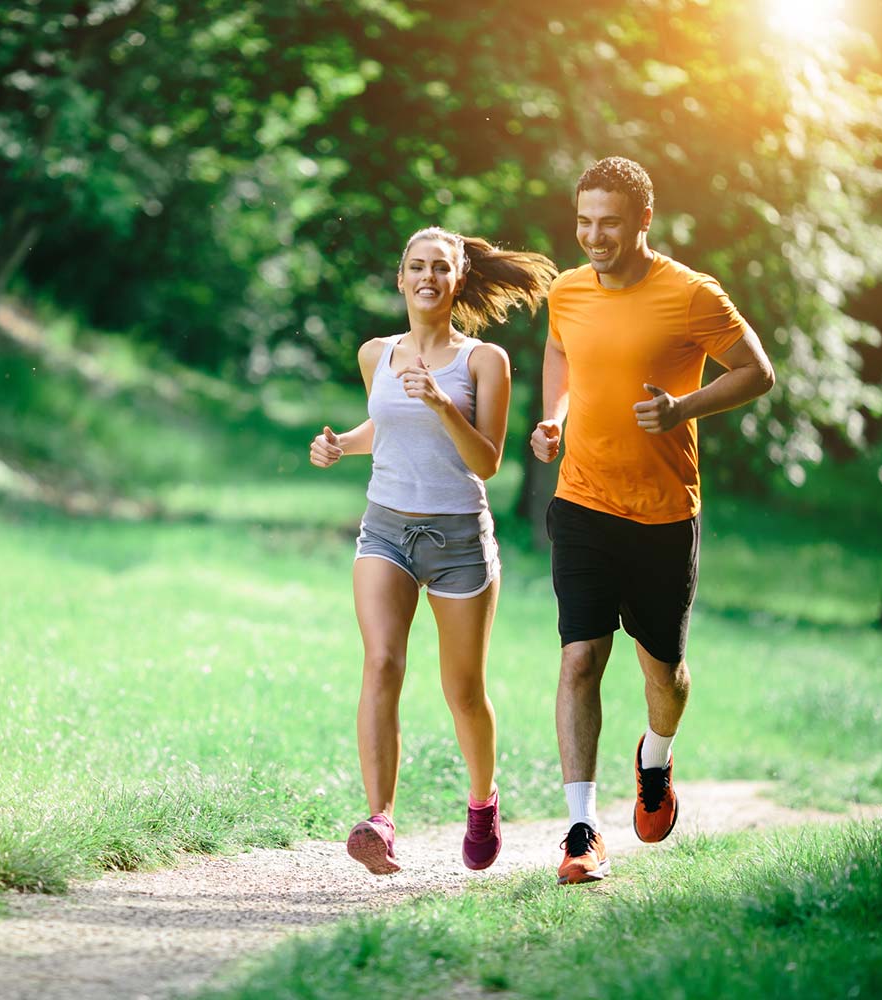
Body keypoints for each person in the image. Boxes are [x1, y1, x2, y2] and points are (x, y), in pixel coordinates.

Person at [530, 156, 775, 885]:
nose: (594, 237)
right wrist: (554, 416)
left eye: (609, 223)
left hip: (665, 514)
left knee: (664, 673)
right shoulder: (567, 291)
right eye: (583, 222)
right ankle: (581, 828)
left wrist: (680, 409)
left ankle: (656, 759)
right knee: (580, 659)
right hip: (582, 502)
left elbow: (757, 372)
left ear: (643, 218)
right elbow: (558, 350)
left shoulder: (692, 295)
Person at [311, 226, 556, 875]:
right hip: (386, 528)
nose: (427, 276)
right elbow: (386, 427)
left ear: (458, 280)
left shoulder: (484, 362)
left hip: (458, 539)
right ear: (401, 278)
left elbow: (489, 461)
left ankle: (482, 802)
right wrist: (341, 444)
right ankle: (380, 821)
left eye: (440, 268)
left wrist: (445, 402)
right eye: (416, 265)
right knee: (383, 662)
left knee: (463, 690)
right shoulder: (376, 353)